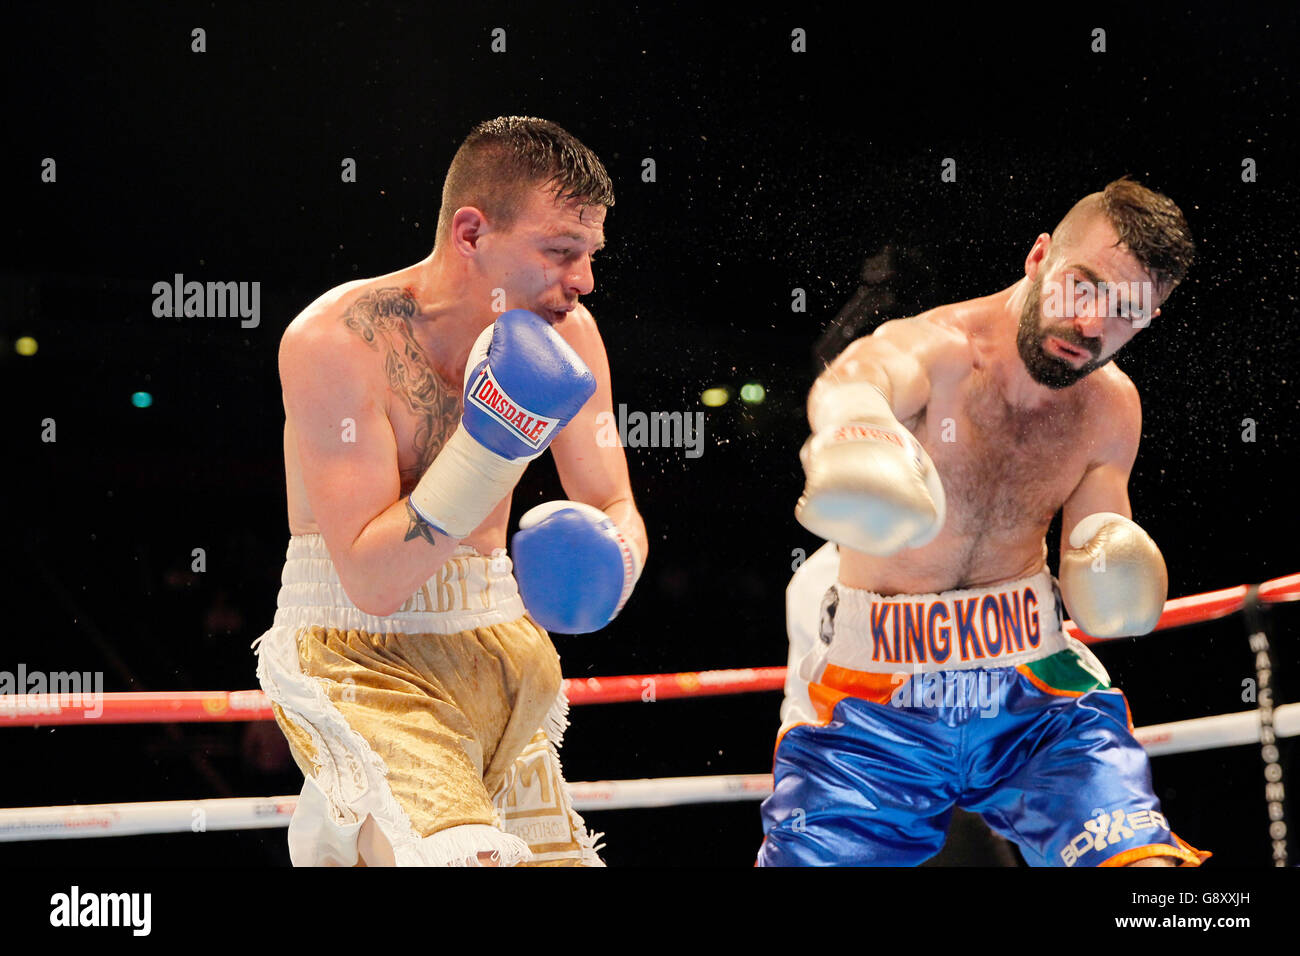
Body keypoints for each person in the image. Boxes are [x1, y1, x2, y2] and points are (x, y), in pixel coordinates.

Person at [760, 177, 1208, 867]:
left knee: (1148, 874)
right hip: (875, 699)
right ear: (1038, 257)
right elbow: (859, 379)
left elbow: (1095, 564)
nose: (1092, 324)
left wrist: (1116, 576)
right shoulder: (940, 349)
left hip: (1033, 691)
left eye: (1127, 311)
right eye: (1082, 285)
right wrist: (862, 433)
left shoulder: (1111, 409)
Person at [254, 116, 648, 866]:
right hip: (359, 653)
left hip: (497, 640)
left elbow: (613, 505)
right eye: (561, 253)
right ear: (471, 233)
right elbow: (371, 578)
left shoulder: (572, 335)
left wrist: (613, 565)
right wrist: (492, 447)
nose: (584, 280)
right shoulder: (339, 342)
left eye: (590, 254)